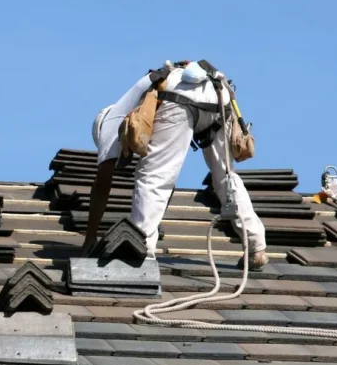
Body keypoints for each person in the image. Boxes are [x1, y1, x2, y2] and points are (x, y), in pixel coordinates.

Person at [84, 59, 268, 269]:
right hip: (218, 93)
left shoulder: (110, 123)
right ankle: (256, 247)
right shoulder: (135, 100)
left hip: (181, 97)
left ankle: (141, 250)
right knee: (225, 177)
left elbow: (102, 184)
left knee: (154, 177)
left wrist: (89, 238)